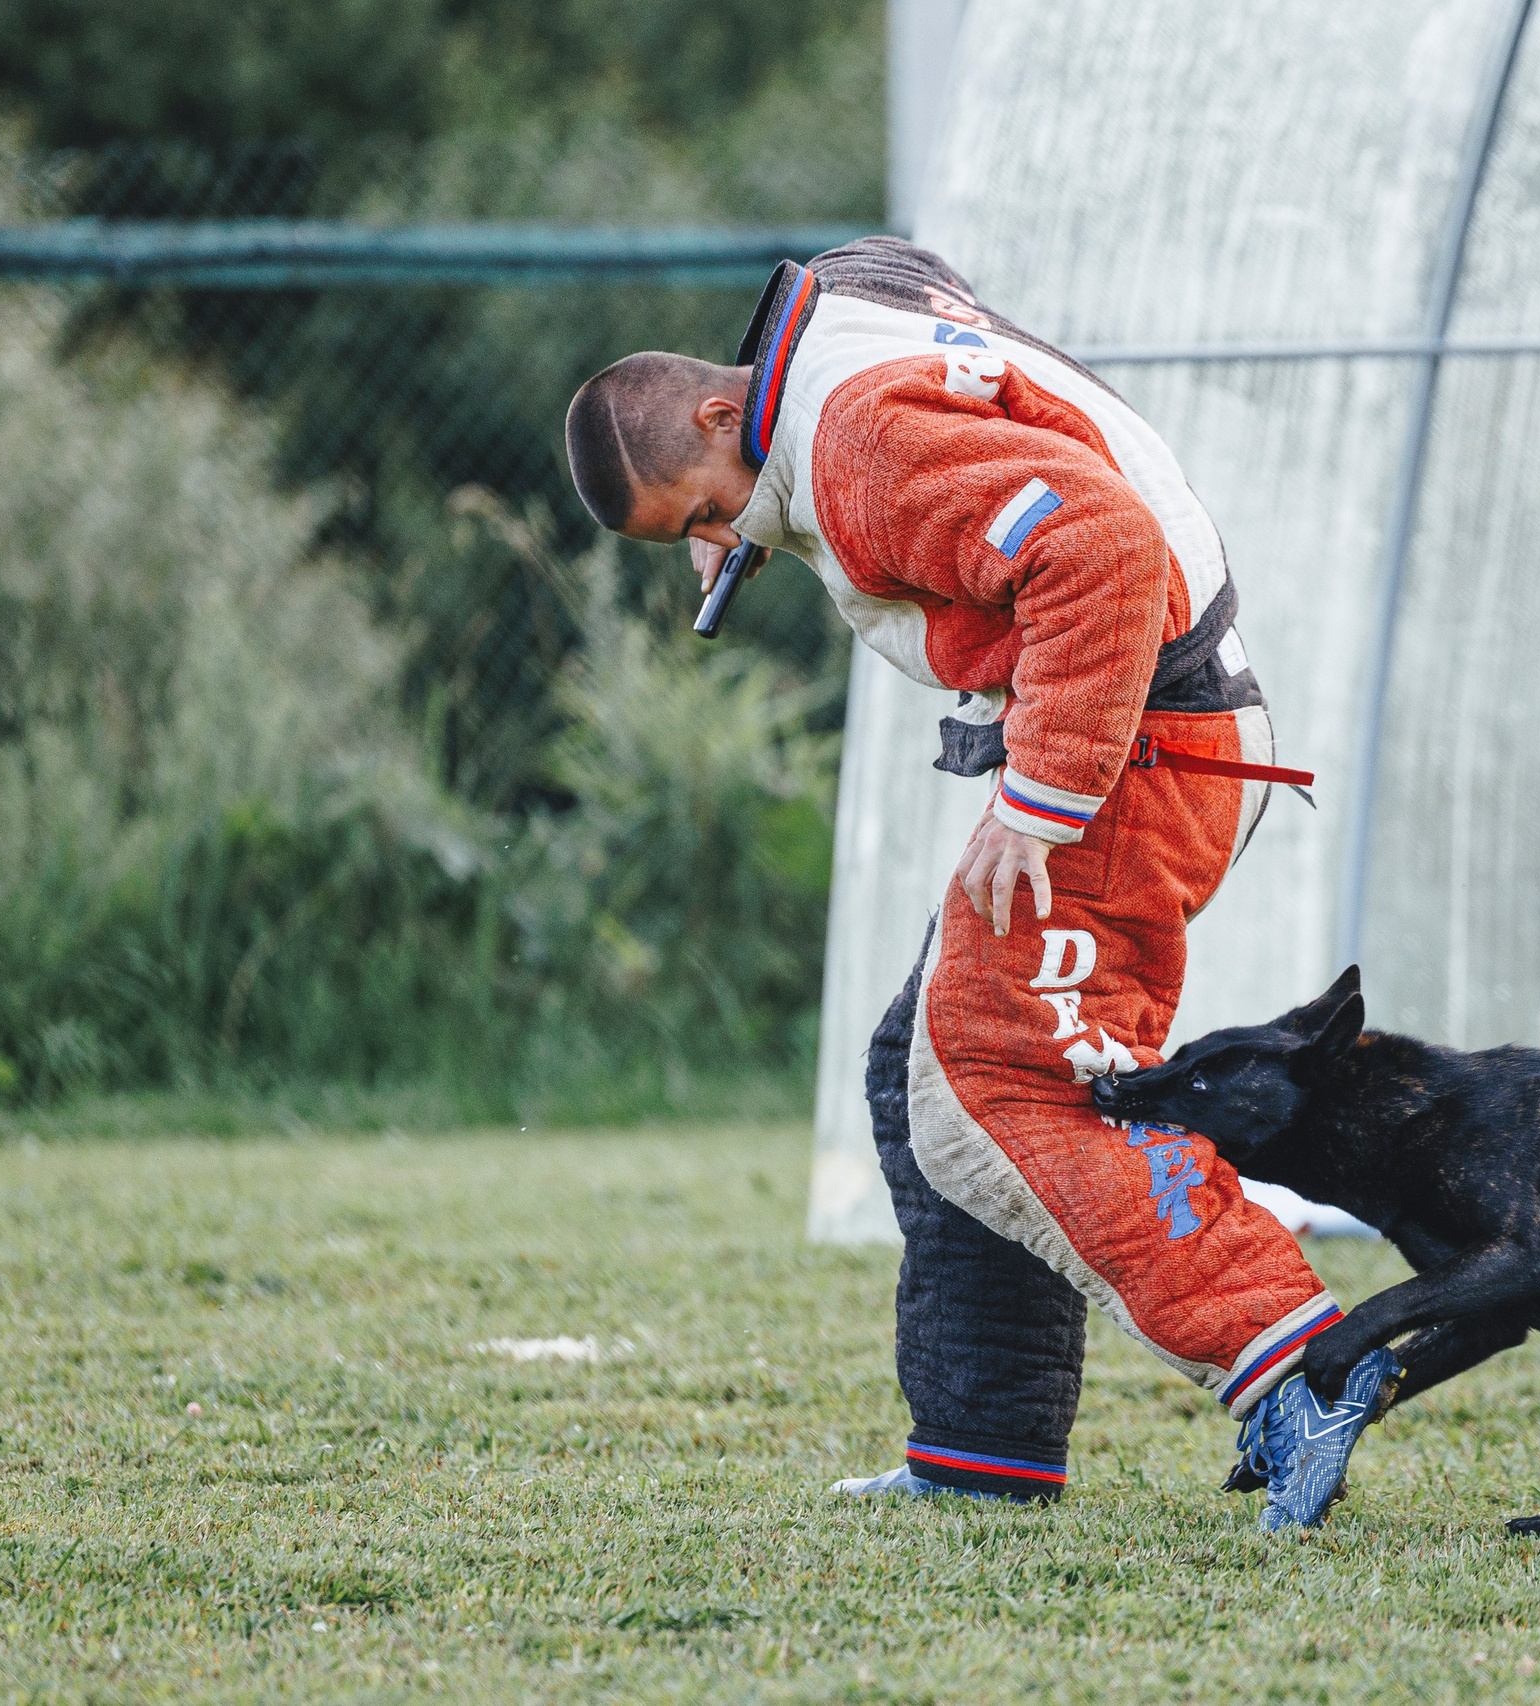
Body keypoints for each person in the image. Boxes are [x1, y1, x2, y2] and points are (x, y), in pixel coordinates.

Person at [562, 237, 1398, 1530]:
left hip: (1143, 749)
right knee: (921, 1068)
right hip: (1158, 723)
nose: (719, 545)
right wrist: (755, 520)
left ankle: (1302, 1366)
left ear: (724, 412)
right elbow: (904, 271)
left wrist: (1041, 790)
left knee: (998, 1081)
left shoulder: (849, 445)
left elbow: (1099, 545)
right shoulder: (846, 309)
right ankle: (984, 1450)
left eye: (705, 514)